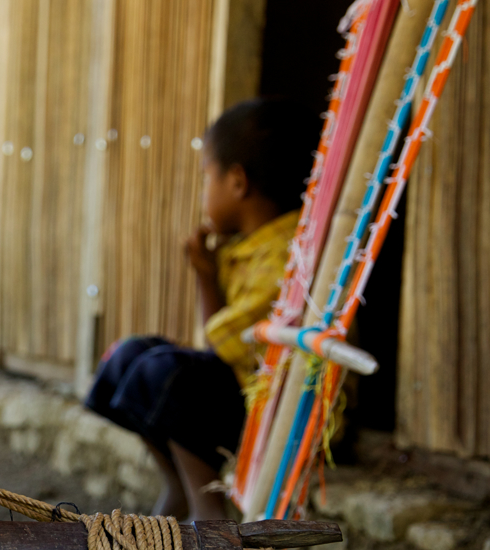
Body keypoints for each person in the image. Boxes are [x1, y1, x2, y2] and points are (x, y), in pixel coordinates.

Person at [84, 98, 319, 521]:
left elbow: (220, 341)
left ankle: (208, 509)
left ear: (237, 181)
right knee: (129, 356)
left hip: (276, 412)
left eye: (205, 176)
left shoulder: (289, 256)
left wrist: (204, 276)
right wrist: (206, 271)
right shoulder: (247, 247)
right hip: (240, 396)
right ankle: (179, 487)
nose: (202, 191)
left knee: (167, 374)